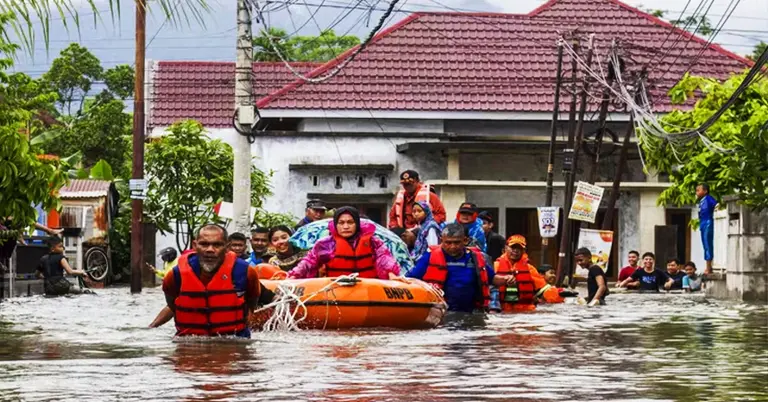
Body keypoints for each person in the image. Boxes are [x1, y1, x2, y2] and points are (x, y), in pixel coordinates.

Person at [160, 224, 275, 337]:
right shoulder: (175, 275)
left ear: (226, 247)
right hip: (189, 343)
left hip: (234, 342)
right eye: (204, 244)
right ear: (194, 245)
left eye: (217, 245)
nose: (210, 250)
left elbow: (252, 304)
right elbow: (172, 305)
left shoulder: (246, 272)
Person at [407, 223, 514, 313]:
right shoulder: (429, 257)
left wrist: (506, 279)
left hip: (472, 313)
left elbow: (492, 279)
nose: (452, 246)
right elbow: (410, 279)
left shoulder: (475, 258)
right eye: (448, 243)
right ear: (441, 240)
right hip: (441, 313)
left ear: (465, 240)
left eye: (456, 242)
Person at [288, 207, 403, 280]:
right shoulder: (325, 244)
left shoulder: (373, 241)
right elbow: (308, 262)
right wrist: (293, 275)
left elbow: (384, 258)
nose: (346, 226)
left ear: (357, 224)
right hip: (337, 289)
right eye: (341, 223)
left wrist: (391, 275)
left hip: (369, 288)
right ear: (336, 225)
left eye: (350, 222)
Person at [493, 234, 540, 312]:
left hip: (526, 311)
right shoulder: (495, 266)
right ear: (505, 248)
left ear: (524, 251)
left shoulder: (530, 269)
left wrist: (559, 294)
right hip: (501, 310)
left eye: (519, 248)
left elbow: (544, 289)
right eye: (513, 247)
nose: (515, 250)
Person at [696, 183, 718, 275]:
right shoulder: (701, 201)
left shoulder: (709, 199)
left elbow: (717, 205)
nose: (696, 192)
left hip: (708, 222)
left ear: (705, 191)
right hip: (703, 223)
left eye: (698, 190)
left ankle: (709, 267)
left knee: (708, 244)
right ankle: (708, 266)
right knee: (705, 244)